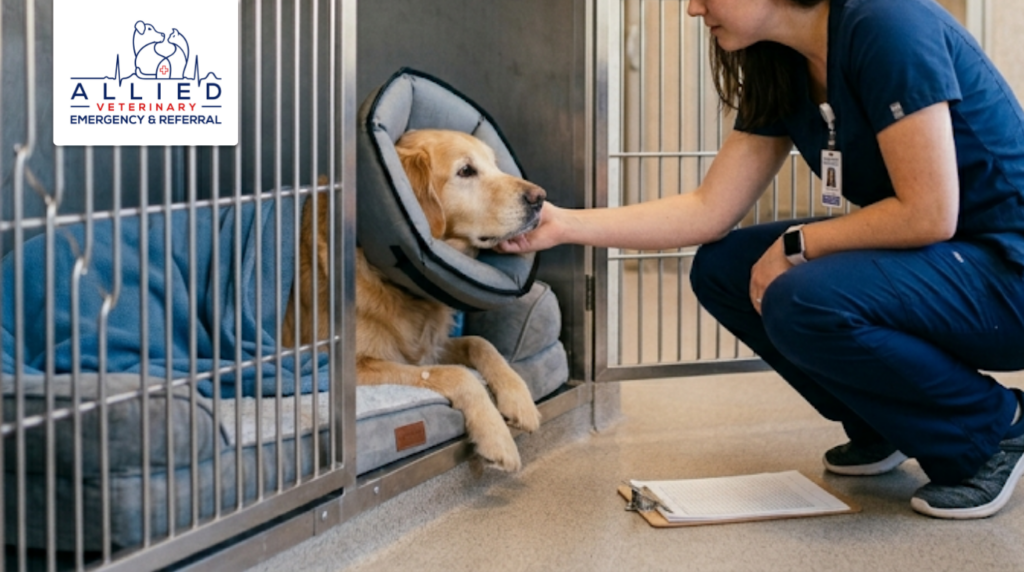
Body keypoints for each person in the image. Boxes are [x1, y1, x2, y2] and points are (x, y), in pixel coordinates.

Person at [498, 0, 1024, 519]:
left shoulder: (888, 23)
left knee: (804, 295)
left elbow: (930, 213)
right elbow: (708, 210)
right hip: (947, 257)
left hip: (1007, 271)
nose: (692, 9)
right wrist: (563, 224)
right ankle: (885, 423)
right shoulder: (780, 61)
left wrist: (798, 245)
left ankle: (992, 431)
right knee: (724, 269)